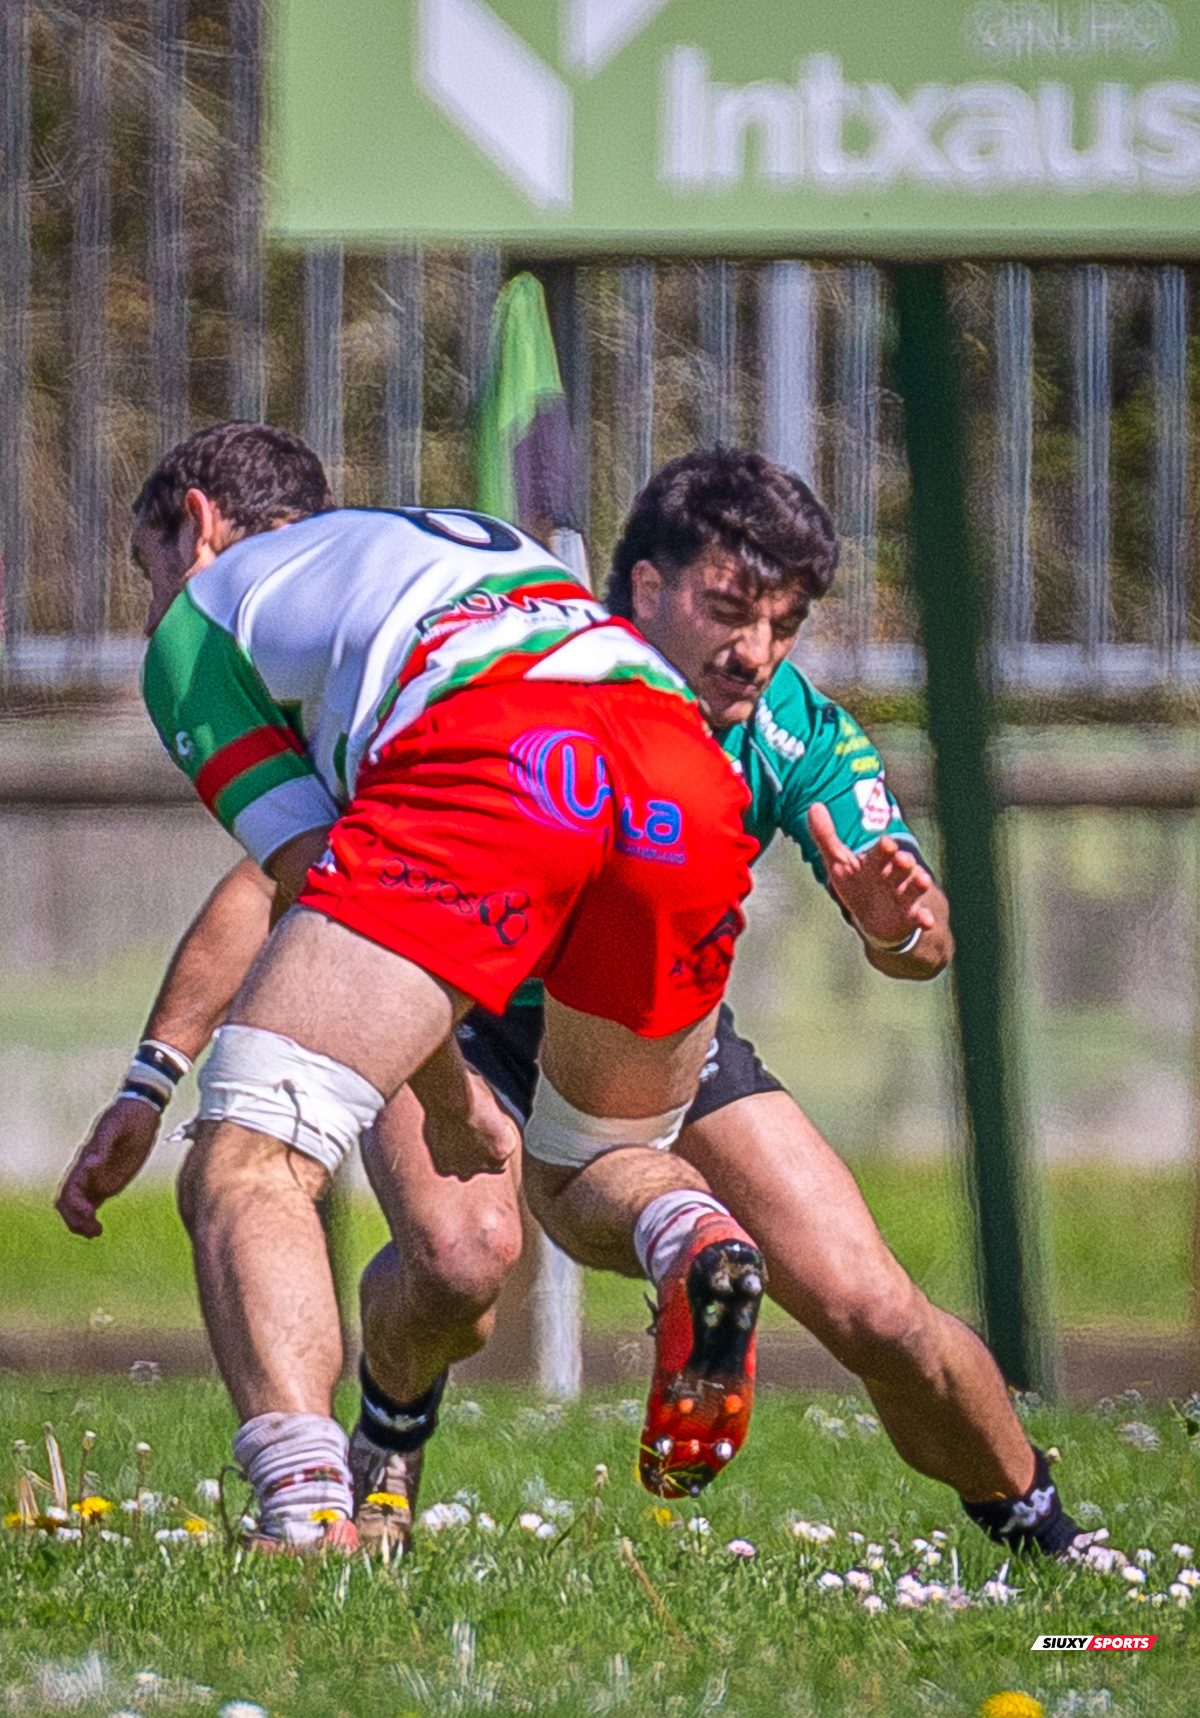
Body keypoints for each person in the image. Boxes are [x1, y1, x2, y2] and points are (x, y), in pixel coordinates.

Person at [56, 421, 766, 1554]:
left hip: (494, 747)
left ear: (195, 525)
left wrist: (442, 1092)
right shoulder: (440, 547)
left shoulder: (203, 622)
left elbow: (315, 880)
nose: (151, 611)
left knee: (252, 1151)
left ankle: (303, 1515)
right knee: (589, 1169)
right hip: (676, 758)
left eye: (147, 575)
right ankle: (695, 1236)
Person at [447, 447, 1088, 1557]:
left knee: (877, 1310)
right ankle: (366, 1492)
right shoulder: (526, 674)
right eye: (731, 610)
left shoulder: (791, 727)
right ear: (644, 588)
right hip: (470, 1015)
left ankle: (1052, 1543)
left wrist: (894, 920)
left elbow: (922, 944)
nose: (756, 653)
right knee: (454, 1261)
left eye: (784, 625)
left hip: (664, 1025)